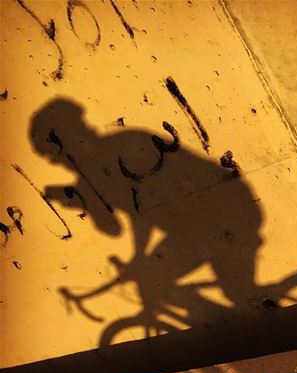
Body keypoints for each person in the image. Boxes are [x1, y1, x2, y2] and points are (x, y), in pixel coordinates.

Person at [30, 98, 263, 318]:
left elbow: (143, 211)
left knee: (240, 297)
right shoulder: (93, 174)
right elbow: (114, 229)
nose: (57, 162)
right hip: (190, 227)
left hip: (222, 212)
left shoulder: (125, 146)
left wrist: (139, 256)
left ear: (72, 137)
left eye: (54, 153)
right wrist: (82, 201)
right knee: (154, 278)